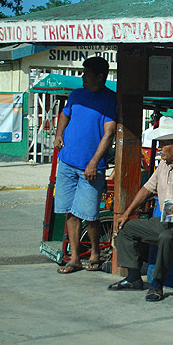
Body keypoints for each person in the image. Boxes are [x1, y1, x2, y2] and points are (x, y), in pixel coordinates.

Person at [109, 116, 173, 301]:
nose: (160, 148)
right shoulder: (164, 165)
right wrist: (126, 213)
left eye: (164, 144)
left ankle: (157, 284)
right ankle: (133, 278)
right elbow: (147, 189)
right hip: (168, 222)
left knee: (167, 237)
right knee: (126, 228)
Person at [54, 56, 117, 274]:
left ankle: (95, 254)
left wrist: (93, 163)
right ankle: (74, 258)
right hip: (67, 161)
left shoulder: (110, 99)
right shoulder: (76, 95)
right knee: (70, 212)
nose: (83, 77)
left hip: (91, 168)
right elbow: (65, 114)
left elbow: (108, 134)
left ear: (101, 77)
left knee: (90, 215)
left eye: (87, 73)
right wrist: (59, 133)